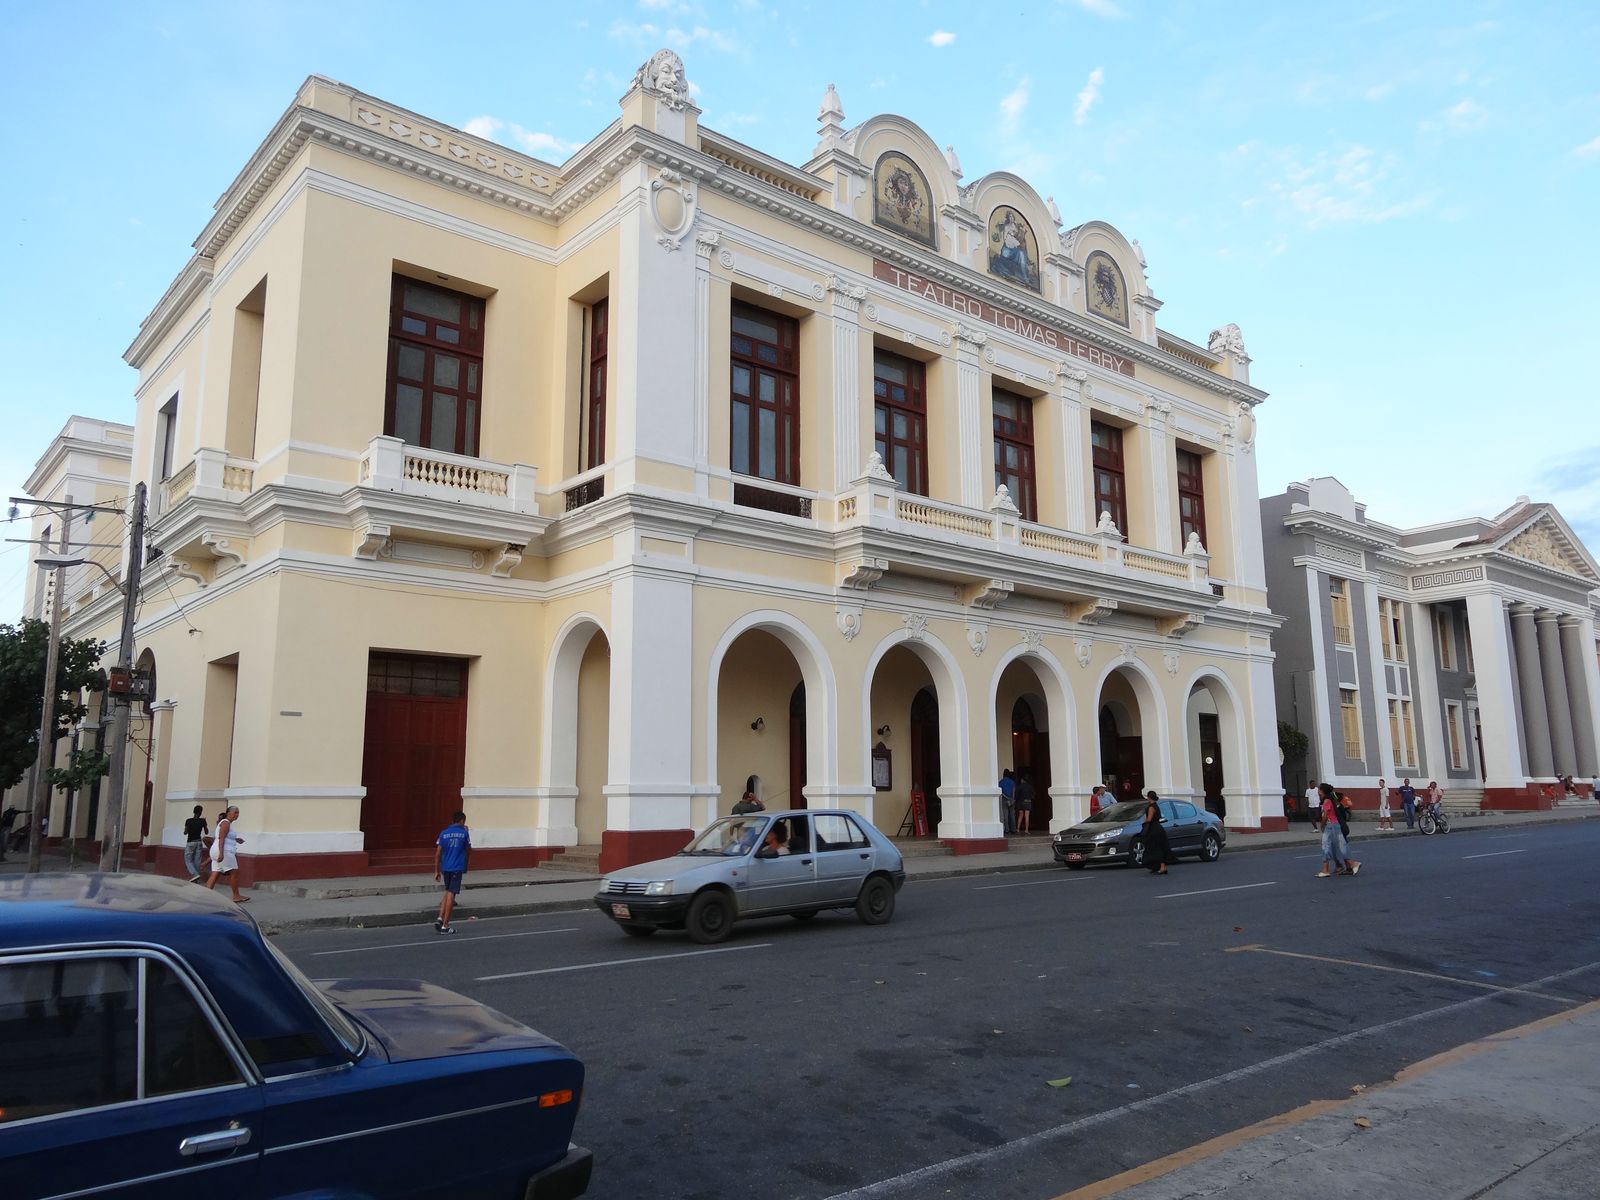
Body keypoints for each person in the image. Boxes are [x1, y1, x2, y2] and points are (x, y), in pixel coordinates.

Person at [433, 810, 471, 934]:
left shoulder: (443, 833)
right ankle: (445, 925)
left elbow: (438, 854)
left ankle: (440, 917)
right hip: (456, 867)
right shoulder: (464, 833)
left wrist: (436, 871)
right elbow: (468, 850)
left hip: (446, 868)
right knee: (451, 894)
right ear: (462, 821)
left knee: (447, 891)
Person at [1316, 784, 1360, 877]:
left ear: (1322, 791)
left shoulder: (1327, 800)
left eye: (1319, 789)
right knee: (1337, 846)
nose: (1318, 791)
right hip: (1335, 824)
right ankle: (1340, 866)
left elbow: (1325, 815)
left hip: (1330, 825)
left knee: (1327, 846)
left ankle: (1351, 864)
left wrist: (1322, 825)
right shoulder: (1331, 799)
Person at [205, 806, 247, 902]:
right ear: (229, 813)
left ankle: (205, 895)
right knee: (234, 872)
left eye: (238, 813)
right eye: (235, 812)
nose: (237, 815)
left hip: (218, 850)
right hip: (224, 851)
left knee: (215, 873)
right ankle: (236, 895)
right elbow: (221, 838)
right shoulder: (226, 823)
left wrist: (236, 839)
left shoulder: (226, 823)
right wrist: (221, 853)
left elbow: (225, 837)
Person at [1141, 790, 1172, 875]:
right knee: (1159, 847)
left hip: (1153, 829)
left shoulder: (1151, 807)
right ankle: (1158, 866)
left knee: (1155, 848)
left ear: (1149, 797)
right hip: (1158, 828)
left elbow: (1149, 819)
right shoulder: (1156, 806)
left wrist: (1144, 822)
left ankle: (1162, 867)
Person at [183, 804, 210, 881]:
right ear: (201, 812)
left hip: (190, 842)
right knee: (197, 861)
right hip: (199, 842)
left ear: (193, 811)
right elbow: (206, 832)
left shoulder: (188, 821)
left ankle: (195, 874)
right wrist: (205, 824)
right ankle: (196, 879)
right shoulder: (202, 821)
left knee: (188, 860)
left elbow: (185, 832)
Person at [999, 769, 1017, 834]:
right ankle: (1014, 829)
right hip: (1011, 800)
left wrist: (1006, 797)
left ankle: (1007, 830)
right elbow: (1013, 791)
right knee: (1012, 815)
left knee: (1005, 815)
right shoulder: (1012, 782)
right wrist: (1012, 799)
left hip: (1004, 800)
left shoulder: (1001, 782)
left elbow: (1001, 792)